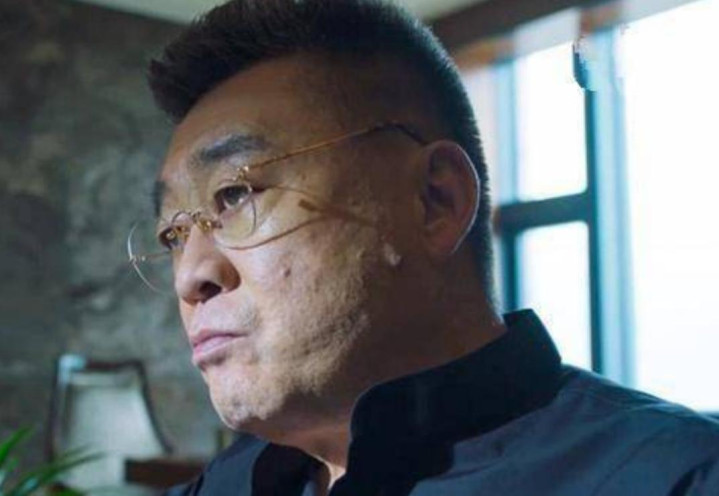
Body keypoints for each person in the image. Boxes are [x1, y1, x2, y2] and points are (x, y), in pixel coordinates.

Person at [134, 0, 719, 494]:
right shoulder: (223, 483)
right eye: (173, 234)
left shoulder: (672, 476)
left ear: (435, 200)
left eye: (235, 194)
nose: (190, 276)